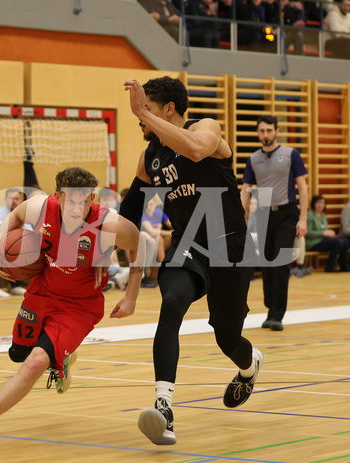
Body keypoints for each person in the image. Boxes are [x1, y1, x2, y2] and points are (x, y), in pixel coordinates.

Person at [0, 167, 142, 450]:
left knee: (36, 362)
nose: (78, 208)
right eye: (70, 200)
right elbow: (14, 216)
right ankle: (62, 357)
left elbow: (139, 243)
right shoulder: (40, 207)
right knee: (19, 354)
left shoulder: (108, 224)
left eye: (85, 200)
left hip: (79, 306)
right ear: (57, 198)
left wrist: (131, 297)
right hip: (43, 289)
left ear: (93, 199)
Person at [118, 76, 263, 446]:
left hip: (228, 248)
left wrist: (145, 116)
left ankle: (249, 367)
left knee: (227, 338)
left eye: (146, 109)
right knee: (172, 304)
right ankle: (163, 407)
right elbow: (128, 221)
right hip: (188, 245)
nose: (140, 118)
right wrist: (131, 289)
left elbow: (197, 150)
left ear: (169, 110)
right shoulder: (150, 158)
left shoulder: (206, 128)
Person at [241, 115, 308, 331]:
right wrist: (241, 218)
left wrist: (303, 218)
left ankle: (276, 314)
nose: (265, 135)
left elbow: (303, 187)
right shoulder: (252, 159)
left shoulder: (291, 154)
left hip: (287, 212)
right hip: (262, 212)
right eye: (262, 131)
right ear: (258, 133)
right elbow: (246, 189)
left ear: (276, 131)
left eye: (269, 130)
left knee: (279, 263)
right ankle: (271, 304)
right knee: (267, 264)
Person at [306, 194, 350, 272]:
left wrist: (329, 234)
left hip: (322, 240)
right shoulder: (309, 215)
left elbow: (324, 230)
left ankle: (344, 266)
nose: (320, 205)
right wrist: (324, 233)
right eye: (318, 202)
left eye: (322, 203)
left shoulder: (323, 216)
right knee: (338, 242)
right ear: (313, 204)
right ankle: (330, 267)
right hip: (312, 242)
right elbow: (307, 233)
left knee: (345, 240)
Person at [139, 197, 173, 288]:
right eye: (147, 205)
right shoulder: (143, 215)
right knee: (159, 238)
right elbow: (152, 232)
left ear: (155, 205)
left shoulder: (158, 212)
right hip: (147, 246)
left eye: (151, 205)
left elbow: (172, 225)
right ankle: (165, 271)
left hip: (158, 246)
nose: (149, 207)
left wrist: (176, 231)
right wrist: (171, 233)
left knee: (174, 237)